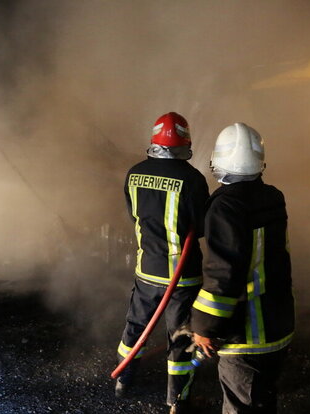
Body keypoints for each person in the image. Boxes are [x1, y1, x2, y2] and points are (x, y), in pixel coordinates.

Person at [190, 123, 295, 413]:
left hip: (248, 336)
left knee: (245, 405)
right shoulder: (273, 196)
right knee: (261, 399)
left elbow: (223, 275)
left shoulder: (225, 207)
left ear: (218, 160)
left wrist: (204, 326)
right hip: (278, 324)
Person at [115, 112, 210, 413]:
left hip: (147, 270)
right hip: (182, 278)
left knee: (135, 327)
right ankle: (177, 401)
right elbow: (202, 228)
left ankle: (123, 379)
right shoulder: (192, 179)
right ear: (185, 140)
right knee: (180, 336)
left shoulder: (134, 173)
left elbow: (135, 216)